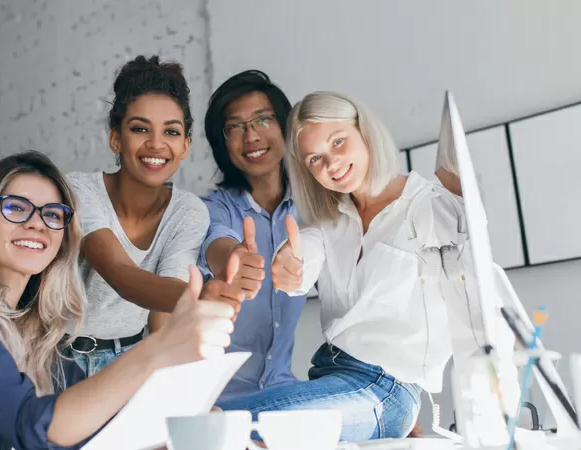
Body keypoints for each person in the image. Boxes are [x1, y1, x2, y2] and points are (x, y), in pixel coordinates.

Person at [0, 151, 240, 449]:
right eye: (15, 208)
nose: (37, 223)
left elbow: (91, 428)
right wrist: (159, 348)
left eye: (52, 214)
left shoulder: (41, 335)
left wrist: (179, 426)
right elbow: (37, 427)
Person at [217, 91, 516, 443]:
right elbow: (303, 255)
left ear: (365, 131)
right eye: (315, 159)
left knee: (226, 426)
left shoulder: (429, 209)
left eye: (338, 141)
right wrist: (290, 265)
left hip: (386, 391)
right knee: (211, 424)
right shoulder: (327, 223)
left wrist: (498, 408)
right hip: (330, 374)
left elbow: (481, 297)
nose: (330, 165)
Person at [66, 55, 243, 377]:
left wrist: (168, 385)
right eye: (139, 129)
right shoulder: (78, 190)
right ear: (115, 138)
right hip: (55, 358)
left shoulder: (188, 212)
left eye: (171, 132)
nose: (156, 144)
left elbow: (165, 300)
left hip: (131, 359)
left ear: (186, 145)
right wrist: (202, 295)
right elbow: (120, 273)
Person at [198, 70, 307, 401]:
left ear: (285, 128)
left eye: (263, 120)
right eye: (235, 127)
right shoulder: (209, 210)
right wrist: (234, 258)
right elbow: (216, 240)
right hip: (216, 400)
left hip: (282, 391)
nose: (251, 136)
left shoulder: (312, 211)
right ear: (223, 143)